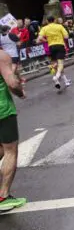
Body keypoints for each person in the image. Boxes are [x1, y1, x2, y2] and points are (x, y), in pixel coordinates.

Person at [0, 48, 26, 212]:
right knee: (10, 151)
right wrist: (20, 92)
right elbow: (12, 83)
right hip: (2, 111)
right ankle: (3, 196)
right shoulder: (2, 56)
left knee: (1, 150)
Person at [36, 16, 70, 89]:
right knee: (60, 64)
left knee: (54, 64)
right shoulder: (59, 26)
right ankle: (56, 77)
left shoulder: (44, 28)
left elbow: (39, 39)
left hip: (51, 47)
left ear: (47, 21)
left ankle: (64, 80)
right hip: (60, 45)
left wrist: (47, 40)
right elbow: (66, 36)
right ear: (54, 20)